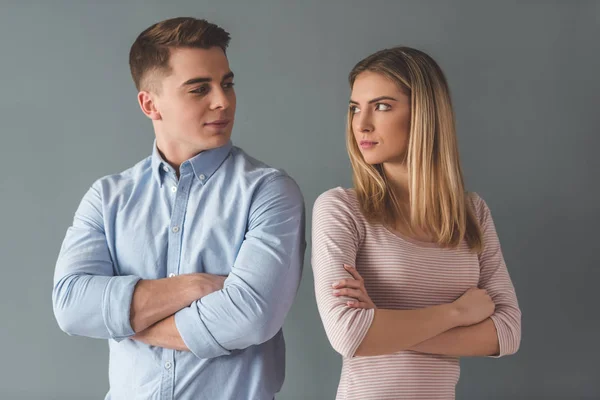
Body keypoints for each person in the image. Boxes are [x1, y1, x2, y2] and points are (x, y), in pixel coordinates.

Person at [52, 17, 305, 400]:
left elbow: (250, 317)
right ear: (150, 104)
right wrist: (192, 287)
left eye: (227, 83)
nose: (222, 100)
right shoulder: (107, 198)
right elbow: (71, 305)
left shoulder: (269, 191)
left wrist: (120, 320)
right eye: (199, 88)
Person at [311, 46, 521, 400]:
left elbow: (507, 332)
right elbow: (348, 335)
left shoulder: (472, 214)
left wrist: (383, 324)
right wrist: (458, 312)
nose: (361, 124)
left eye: (381, 106)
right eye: (354, 108)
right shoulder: (342, 209)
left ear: (425, 114)